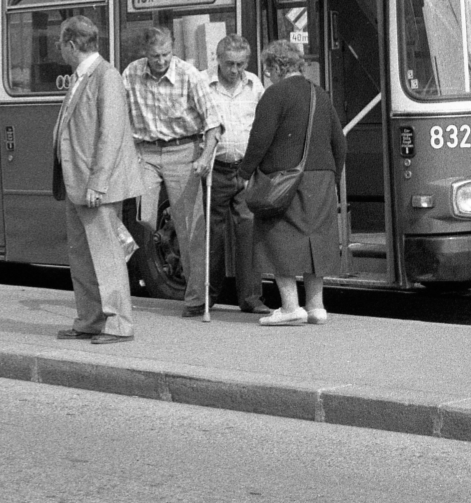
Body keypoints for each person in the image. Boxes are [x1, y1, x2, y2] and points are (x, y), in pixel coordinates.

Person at [232, 39, 346, 326]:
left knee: (277, 236)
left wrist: (244, 174)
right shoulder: (320, 94)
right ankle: (316, 306)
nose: (267, 74)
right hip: (322, 177)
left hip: (284, 178)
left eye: (267, 68)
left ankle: (290, 306)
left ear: (275, 66)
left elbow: (260, 140)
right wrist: (334, 176)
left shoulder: (275, 94)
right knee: (315, 238)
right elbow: (339, 142)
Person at [48, 15, 141, 343]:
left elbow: (110, 134)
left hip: (95, 186)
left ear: (72, 45)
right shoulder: (81, 76)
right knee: (82, 256)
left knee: (106, 256)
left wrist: (98, 183)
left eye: (61, 44)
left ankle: (118, 324)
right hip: (78, 184)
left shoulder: (106, 76)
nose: (59, 49)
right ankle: (90, 320)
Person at [123, 24, 224, 317]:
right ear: (146, 53)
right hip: (146, 151)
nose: (161, 61)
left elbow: (213, 122)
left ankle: (195, 299)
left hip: (183, 150)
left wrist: (205, 156)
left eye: (166, 54)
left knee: (190, 227)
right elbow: (116, 109)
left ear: (173, 49)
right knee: (142, 216)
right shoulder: (131, 73)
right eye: (155, 56)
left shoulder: (188, 75)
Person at [207, 36, 268, 312]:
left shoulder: (254, 85)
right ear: (218, 59)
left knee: (249, 232)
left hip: (245, 169)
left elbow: (264, 123)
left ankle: (251, 298)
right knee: (212, 236)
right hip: (215, 169)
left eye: (241, 64)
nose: (235, 70)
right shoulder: (202, 83)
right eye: (230, 64)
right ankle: (207, 297)